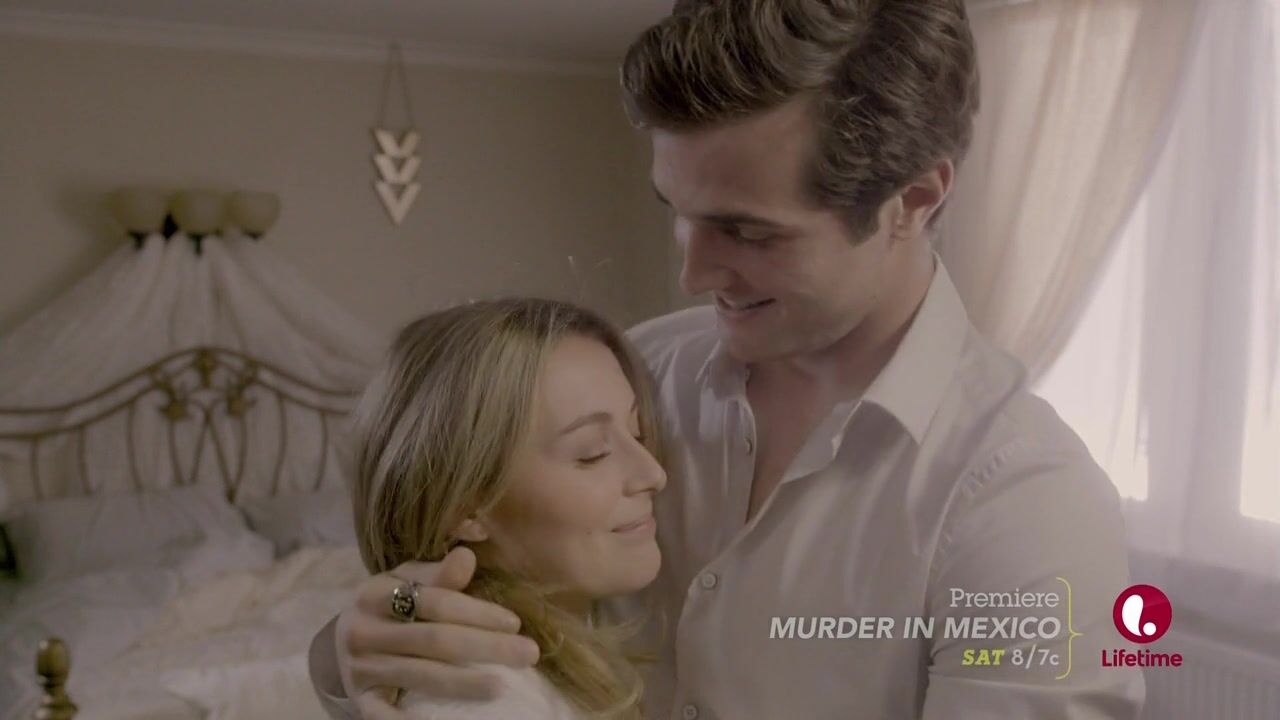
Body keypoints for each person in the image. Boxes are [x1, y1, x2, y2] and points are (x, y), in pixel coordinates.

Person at [311, 1, 1145, 717]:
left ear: (914, 200)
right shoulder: (635, 376)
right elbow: (467, 594)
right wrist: (350, 653)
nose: (693, 273)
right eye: (677, 211)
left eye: (747, 232)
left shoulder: (1024, 508)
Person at [341, 298, 668, 718]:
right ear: (465, 506)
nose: (654, 473)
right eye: (592, 453)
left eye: (637, 432)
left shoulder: (572, 634)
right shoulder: (484, 696)